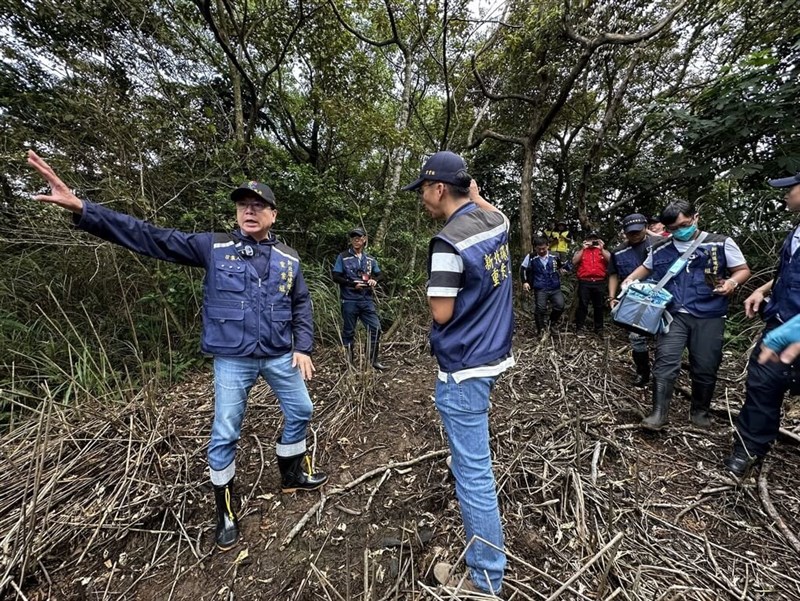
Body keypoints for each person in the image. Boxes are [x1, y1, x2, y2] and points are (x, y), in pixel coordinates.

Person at [26, 150, 328, 552]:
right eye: (243, 206)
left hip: (277, 353)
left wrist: (303, 346)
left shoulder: (289, 257)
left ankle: (291, 473)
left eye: (258, 206)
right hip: (232, 358)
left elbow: (300, 303)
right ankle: (225, 511)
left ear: (273, 214)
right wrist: (83, 208)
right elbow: (150, 237)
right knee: (225, 433)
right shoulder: (214, 247)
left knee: (303, 410)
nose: (249, 212)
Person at [402, 151, 513, 597]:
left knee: (474, 474)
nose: (422, 201)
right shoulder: (495, 225)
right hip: (492, 353)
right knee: (469, 458)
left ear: (439, 189)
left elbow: (442, 313)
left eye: (423, 192)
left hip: (464, 365)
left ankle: (486, 578)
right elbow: (498, 211)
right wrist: (478, 197)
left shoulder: (447, 243)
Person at [623, 200, 750, 431]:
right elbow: (645, 268)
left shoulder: (721, 243)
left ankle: (699, 412)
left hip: (709, 313)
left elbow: (742, 270)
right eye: (673, 228)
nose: (680, 231)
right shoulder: (661, 247)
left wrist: (732, 282)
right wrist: (630, 280)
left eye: (684, 224)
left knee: (705, 364)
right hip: (673, 314)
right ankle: (658, 413)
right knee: (665, 361)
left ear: (696, 217)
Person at [724, 171, 800, 476]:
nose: (785, 195)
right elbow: (789, 272)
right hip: (780, 322)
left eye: (790, 189)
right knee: (762, 385)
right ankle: (749, 447)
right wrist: (762, 289)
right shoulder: (795, 231)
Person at [608, 214, 657, 386]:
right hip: (633, 298)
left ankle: (662, 374)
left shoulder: (658, 244)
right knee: (636, 336)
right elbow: (613, 274)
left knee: (665, 336)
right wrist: (612, 297)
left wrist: (653, 235)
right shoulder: (619, 251)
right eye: (630, 232)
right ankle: (643, 373)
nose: (634, 235)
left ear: (646, 228)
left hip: (659, 297)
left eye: (638, 231)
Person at [331, 227, 386, 370]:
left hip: (366, 300)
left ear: (364, 239)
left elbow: (380, 274)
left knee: (375, 328)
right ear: (351, 240)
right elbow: (336, 276)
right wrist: (351, 284)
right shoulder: (343, 257)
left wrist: (375, 280)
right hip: (349, 299)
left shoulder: (370, 259)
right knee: (349, 331)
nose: (356, 240)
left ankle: (373, 361)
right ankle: (350, 364)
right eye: (353, 237)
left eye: (359, 237)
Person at [520, 236, 567, 335]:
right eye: (539, 249)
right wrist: (525, 282)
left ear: (548, 246)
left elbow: (562, 266)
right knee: (540, 308)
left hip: (554, 287)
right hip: (540, 287)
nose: (541, 251)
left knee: (560, 306)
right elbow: (523, 269)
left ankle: (551, 324)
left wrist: (563, 270)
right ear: (535, 248)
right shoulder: (531, 257)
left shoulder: (555, 256)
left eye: (543, 248)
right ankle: (540, 329)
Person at [572, 231, 610, 335]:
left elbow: (611, 260)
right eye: (590, 239)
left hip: (599, 282)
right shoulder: (582, 251)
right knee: (582, 305)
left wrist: (602, 248)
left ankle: (599, 329)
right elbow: (574, 261)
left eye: (594, 239)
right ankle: (579, 328)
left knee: (598, 306)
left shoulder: (602, 251)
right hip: (585, 282)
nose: (592, 241)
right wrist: (583, 248)